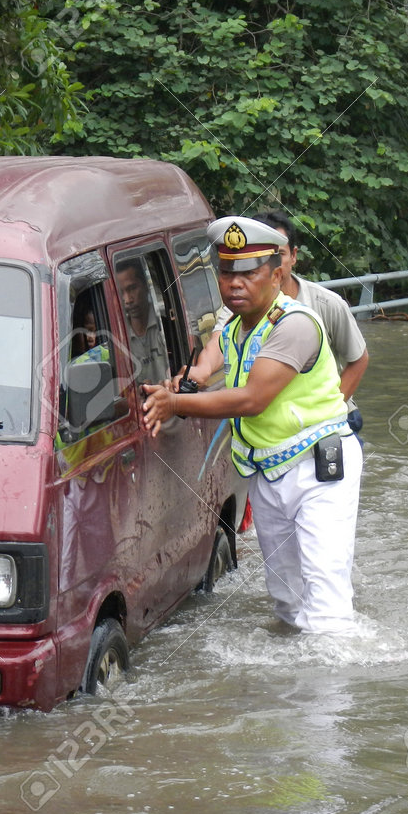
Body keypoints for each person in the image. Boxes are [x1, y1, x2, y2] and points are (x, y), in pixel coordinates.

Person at [141, 215, 362, 633]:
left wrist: (177, 404)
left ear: (277, 274)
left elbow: (253, 399)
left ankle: (334, 692)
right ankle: (290, 693)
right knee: (285, 599)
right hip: (267, 469)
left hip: (318, 469)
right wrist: (187, 383)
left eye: (248, 273)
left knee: (325, 594)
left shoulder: (295, 324)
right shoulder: (235, 326)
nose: (235, 283)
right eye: (226, 273)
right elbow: (210, 358)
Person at [190, 209, 369, 433]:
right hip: (274, 427)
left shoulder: (325, 304)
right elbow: (219, 344)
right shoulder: (240, 307)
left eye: (279, 255)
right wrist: (201, 371)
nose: (271, 262)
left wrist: (325, 416)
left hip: (328, 424)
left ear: (293, 256)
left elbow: (358, 358)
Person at [114, 258, 168, 385]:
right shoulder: (118, 338)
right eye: (121, 293)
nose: (127, 299)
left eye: (132, 288)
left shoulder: (167, 325)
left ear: (146, 285)